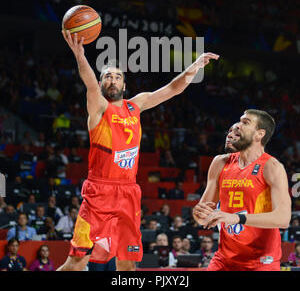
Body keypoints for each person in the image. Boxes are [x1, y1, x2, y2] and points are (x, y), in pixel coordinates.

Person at [57, 29, 219, 271]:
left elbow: (173, 89)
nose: (112, 80)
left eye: (117, 77)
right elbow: (89, 83)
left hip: (128, 194)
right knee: (77, 262)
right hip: (99, 192)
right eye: (107, 77)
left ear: (124, 84)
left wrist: (194, 67)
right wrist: (80, 55)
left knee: (128, 263)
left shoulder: (137, 105)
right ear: (102, 83)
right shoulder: (99, 107)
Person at [193, 110, 292, 271]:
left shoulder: (271, 167)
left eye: (245, 122)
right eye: (239, 121)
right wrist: (200, 214)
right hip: (224, 259)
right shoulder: (220, 162)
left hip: (260, 261)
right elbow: (203, 216)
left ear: (259, 134)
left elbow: (283, 218)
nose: (238, 125)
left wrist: (236, 218)